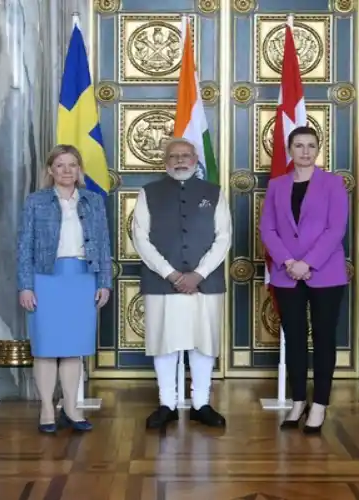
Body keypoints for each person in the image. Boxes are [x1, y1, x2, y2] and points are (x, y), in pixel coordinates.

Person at [131, 138, 231, 430]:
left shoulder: (214, 193)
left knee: (204, 343)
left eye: (185, 155)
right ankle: (167, 404)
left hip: (205, 283)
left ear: (195, 158)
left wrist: (198, 274)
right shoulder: (148, 192)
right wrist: (171, 274)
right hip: (163, 283)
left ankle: (201, 404)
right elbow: (141, 238)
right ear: (165, 161)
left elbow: (223, 237)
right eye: (174, 156)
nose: (180, 160)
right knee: (165, 343)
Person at [259, 126, 349, 433]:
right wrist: (289, 262)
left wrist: (307, 263)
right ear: (290, 149)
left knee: (324, 339)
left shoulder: (333, 184)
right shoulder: (276, 185)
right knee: (295, 340)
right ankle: (298, 401)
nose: (305, 151)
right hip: (287, 275)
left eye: (311, 145)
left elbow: (335, 229)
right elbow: (267, 230)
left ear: (318, 149)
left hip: (326, 274)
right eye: (299, 145)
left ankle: (320, 404)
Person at [17, 144, 113, 434]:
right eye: (60, 165)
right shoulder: (36, 201)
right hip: (46, 278)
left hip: (82, 277)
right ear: (50, 170)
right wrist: (25, 285)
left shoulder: (93, 201)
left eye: (72, 165)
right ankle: (47, 407)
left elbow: (104, 243)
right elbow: (24, 246)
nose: (67, 171)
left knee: (74, 349)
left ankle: (71, 407)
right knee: (46, 349)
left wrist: (104, 282)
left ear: (80, 169)